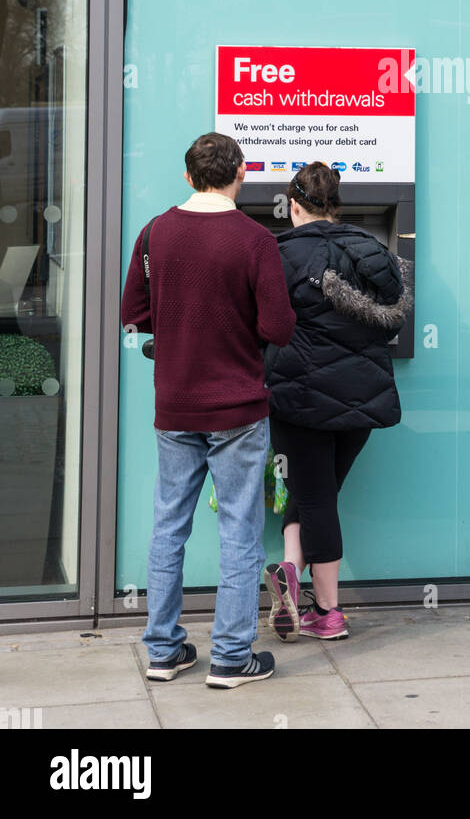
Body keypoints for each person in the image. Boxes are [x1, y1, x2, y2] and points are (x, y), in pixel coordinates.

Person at [121, 132, 296, 688]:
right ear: (239, 175)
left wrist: (179, 326)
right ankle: (230, 658)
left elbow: (134, 312)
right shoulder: (255, 240)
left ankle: (164, 651)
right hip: (238, 408)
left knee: (169, 526)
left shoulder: (155, 232)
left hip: (174, 404)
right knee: (240, 532)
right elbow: (278, 328)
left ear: (189, 176)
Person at [263, 161, 412, 642]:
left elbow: (258, 326)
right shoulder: (371, 249)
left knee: (315, 496)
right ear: (337, 205)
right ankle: (289, 570)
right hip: (362, 399)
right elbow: (394, 316)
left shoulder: (276, 254)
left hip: (297, 397)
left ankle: (327, 612)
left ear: (292, 205)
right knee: (315, 492)